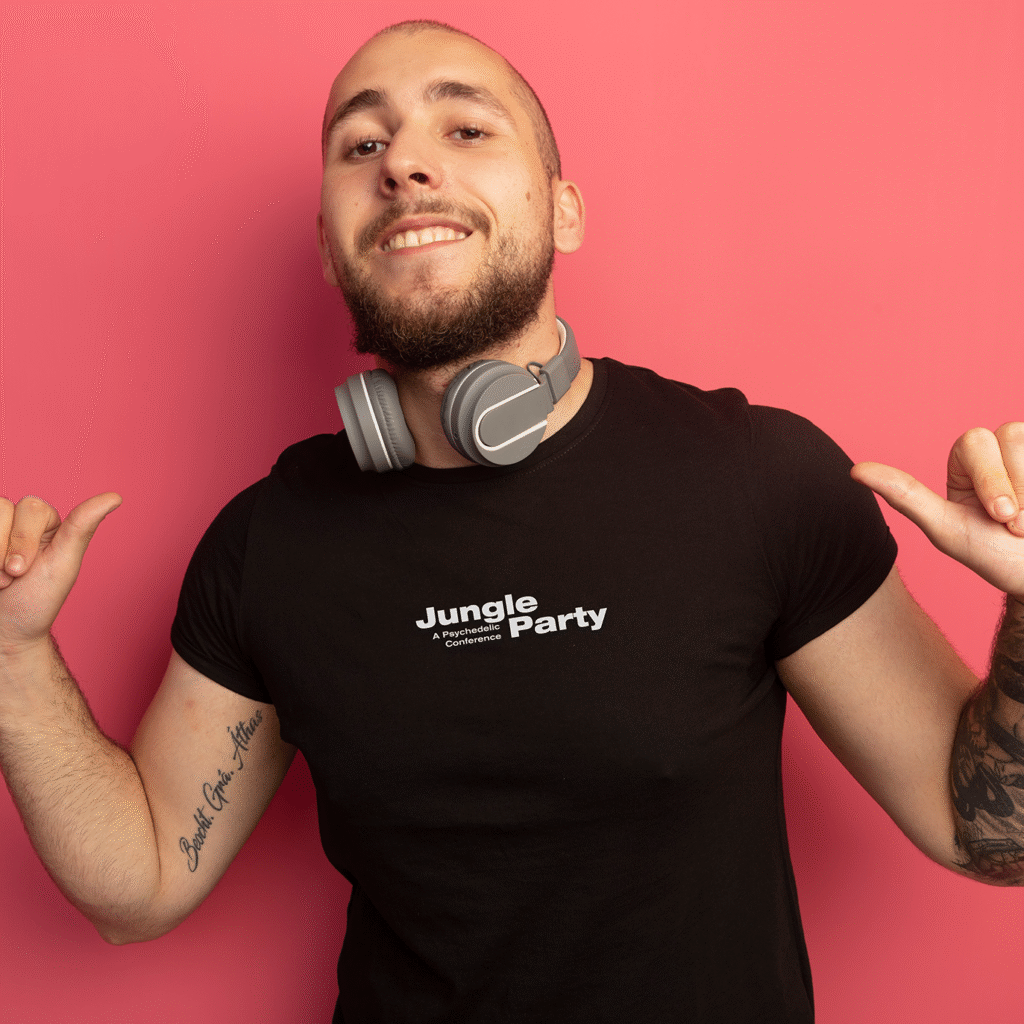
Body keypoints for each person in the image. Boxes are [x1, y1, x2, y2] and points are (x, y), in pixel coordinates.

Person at [1, 18, 1022, 1023]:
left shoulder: (759, 477)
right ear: (327, 247)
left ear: (563, 210)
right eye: (362, 144)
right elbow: (140, 886)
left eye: (465, 129)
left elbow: (985, 833)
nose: (404, 164)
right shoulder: (269, 542)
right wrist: (13, 658)